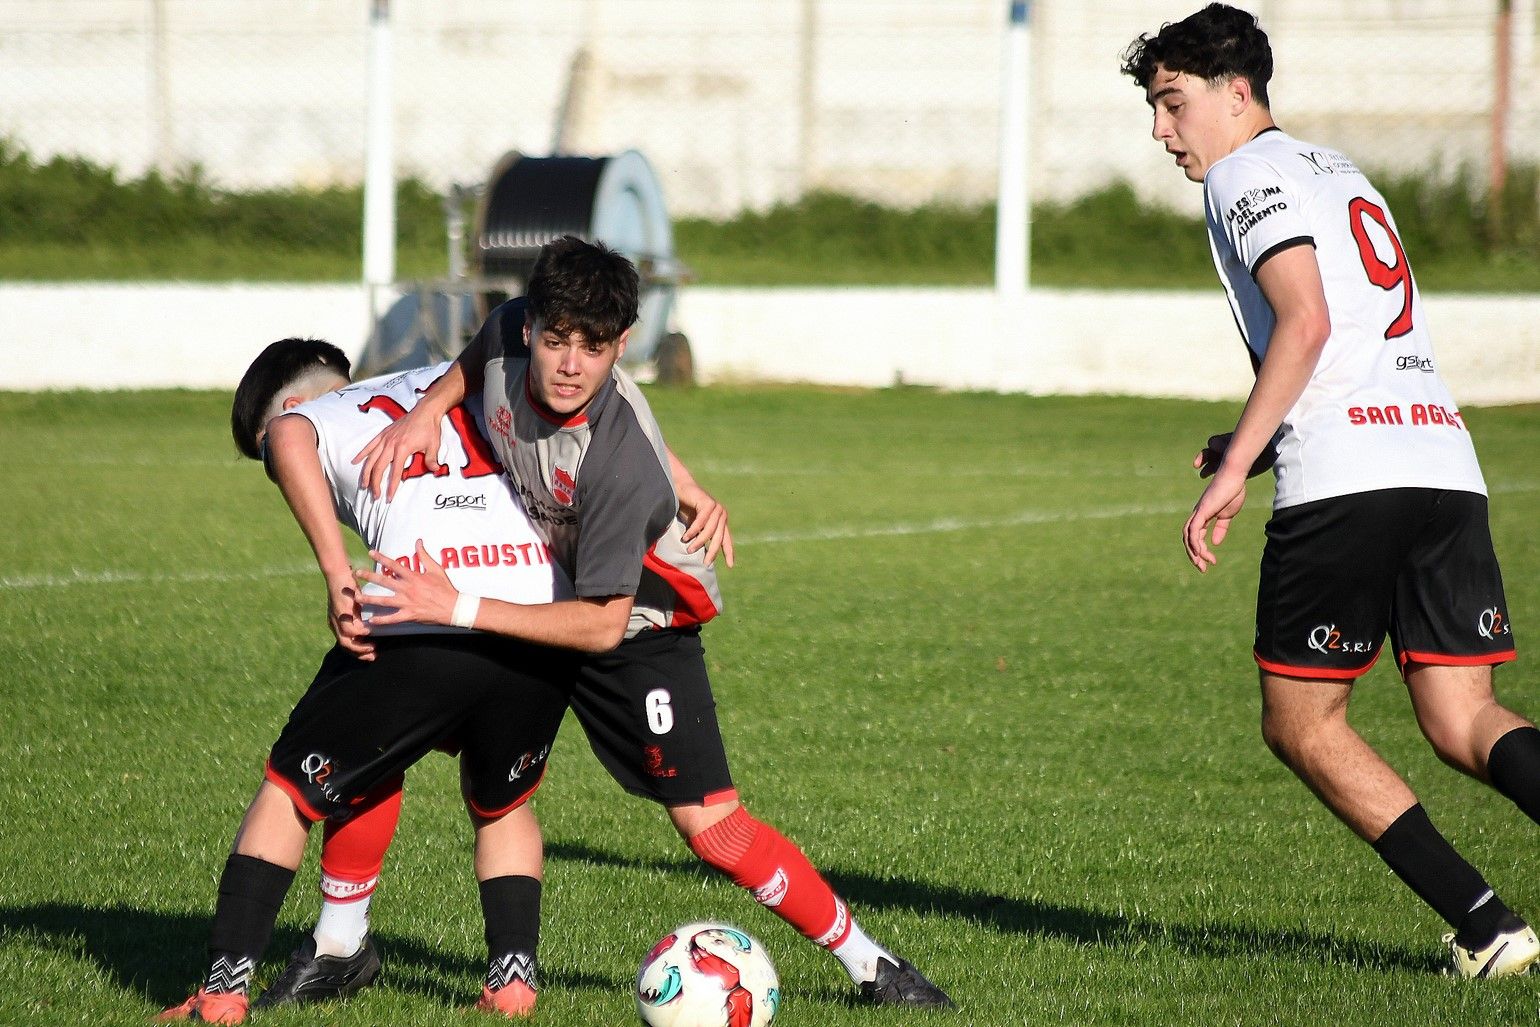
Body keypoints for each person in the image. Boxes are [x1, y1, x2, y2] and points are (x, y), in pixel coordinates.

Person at [352, 235, 955, 1008]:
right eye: (557, 339)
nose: (571, 364)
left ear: (623, 344)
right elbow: (476, 356)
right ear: (530, 324)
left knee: (713, 829)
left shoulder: (618, 459)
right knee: (450, 760)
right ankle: (482, 974)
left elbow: (603, 624)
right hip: (537, 590)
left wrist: (456, 607)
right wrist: (426, 412)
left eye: (594, 347)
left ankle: (873, 964)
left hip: (637, 625)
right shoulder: (508, 331)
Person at [1122, 4, 1540, 979]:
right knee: (1464, 718)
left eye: (1174, 103)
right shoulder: (1337, 170)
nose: (1163, 131)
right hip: (1440, 464)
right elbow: (1348, 333)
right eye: (1154, 109)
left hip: (1348, 481)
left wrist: (1237, 467)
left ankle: (1487, 927)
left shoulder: (1241, 173)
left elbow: (1304, 321)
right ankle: (1488, 930)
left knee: (1301, 721)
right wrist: (1257, 435)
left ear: (1237, 93)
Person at [158, 340, 580, 1023]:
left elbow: (291, 436)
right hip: (540, 621)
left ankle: (221, 992)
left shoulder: (318, 415)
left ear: (298, 403)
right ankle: (511, 983)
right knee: (500, 804)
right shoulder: (458, 373)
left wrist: (336, 573)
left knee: (289, 789)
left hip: (426, 613)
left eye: (264, 459)